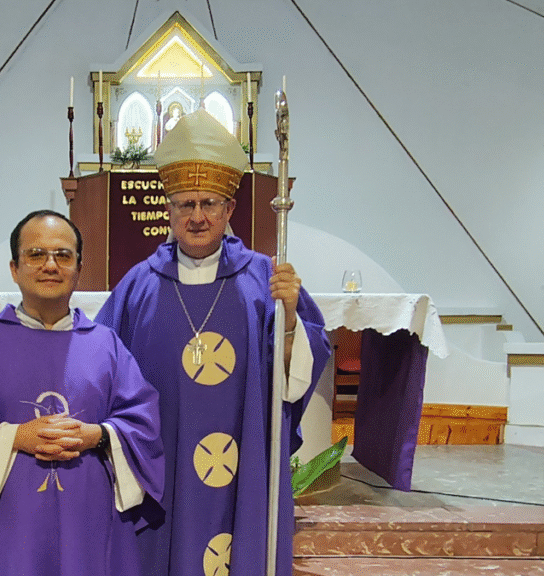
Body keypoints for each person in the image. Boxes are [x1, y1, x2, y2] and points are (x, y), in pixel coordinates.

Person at [94, 110, 333, 576]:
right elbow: (98, 367)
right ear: (168, 210)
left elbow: (292, 379)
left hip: (241, 457)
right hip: (163, 459)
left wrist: (288, 321)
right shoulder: (138, 286)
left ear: (229, 209)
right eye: (185, 204)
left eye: (209, 203)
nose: (198, 216)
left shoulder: (265, 280)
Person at [0, 210, 164, 576]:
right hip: (7, 524)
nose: (50, 265)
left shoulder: (108, 348)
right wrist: (15, 436)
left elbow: (143, 425)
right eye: (36, 254)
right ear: (14, 268)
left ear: (78, 268)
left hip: (89, 521)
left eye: (63, 255)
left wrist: (98, 435)